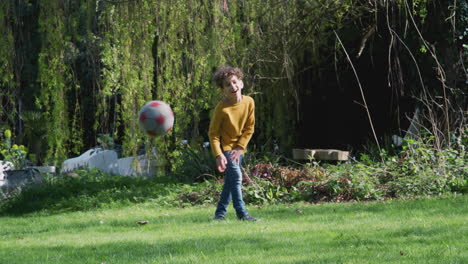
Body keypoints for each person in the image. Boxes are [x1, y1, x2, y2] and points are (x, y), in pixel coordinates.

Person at [208, 66, 258, 221]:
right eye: (227, 85)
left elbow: (250, 127)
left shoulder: (249, 102)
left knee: (230, 182)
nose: (233, 87)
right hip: (227, 149)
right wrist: (219, 154)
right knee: (236, 177)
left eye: (235, 82)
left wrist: (240, 147)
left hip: (238, 149)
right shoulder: (221, 109)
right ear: (223, 90)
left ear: (241, 83)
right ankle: (242, 213)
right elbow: (213, 134)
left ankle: (219, 214)